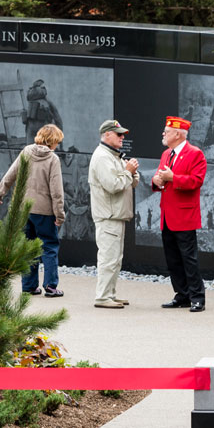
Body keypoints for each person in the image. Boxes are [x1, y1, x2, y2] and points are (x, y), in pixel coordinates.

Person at [0, 123, 67, 297]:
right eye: (57, 141)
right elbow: (56, 191)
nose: (57, 145)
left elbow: (10, 175)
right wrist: (60, 215)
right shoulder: (52, 159)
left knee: (28, 247)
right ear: (53, 141)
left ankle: (29, 286)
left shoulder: (26, 152)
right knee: (49, 247)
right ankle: (50, 286)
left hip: (23, 209)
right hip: (45, 211)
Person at [152, 116, 207, 312]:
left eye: (166, 131)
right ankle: (181, 294)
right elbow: (160, 177)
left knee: (188, 258)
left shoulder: (195, 154)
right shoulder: (167, 154)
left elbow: (196, 181)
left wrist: (172, 177)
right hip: (167, 215)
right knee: (172, 258)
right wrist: (156, 181)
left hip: (184, 216)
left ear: (177, 133)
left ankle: (197, 297)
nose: (163, 134)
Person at [88, 119, 139, 309]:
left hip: (115, 215)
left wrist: (131, 173)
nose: (122, 137)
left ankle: (109, 294)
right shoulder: (102, 157)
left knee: (115, 259)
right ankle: (102, 297)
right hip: (109, 216)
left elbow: (129, 183)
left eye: (123, 134)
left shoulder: (112, 156)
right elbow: (113, 185)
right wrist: (127, 171)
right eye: (118, 134)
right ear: (106, 134)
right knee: (108, 259)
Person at [23, 79, 63, 146]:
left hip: (31, 127)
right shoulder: (48, 102)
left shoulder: (31, 103)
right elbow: (57, 118)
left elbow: (27, 124)